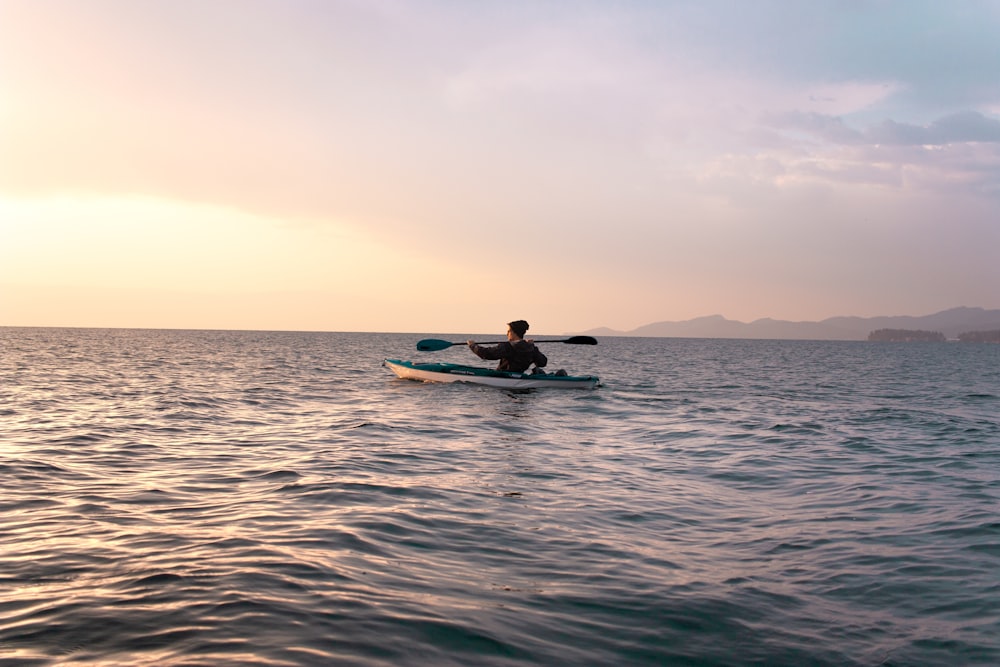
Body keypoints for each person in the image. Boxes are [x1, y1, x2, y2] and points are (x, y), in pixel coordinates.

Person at [468, 320, 547, 373]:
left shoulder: (507, 346)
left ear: (513, 332)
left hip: (504, 379)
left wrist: (473, 346)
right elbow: (542, 362)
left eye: (508, 331)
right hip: (519, 377)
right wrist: (533, 346)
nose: (507, 334)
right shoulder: (531, 348)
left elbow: (487, 354)